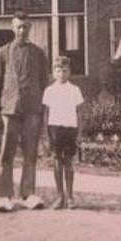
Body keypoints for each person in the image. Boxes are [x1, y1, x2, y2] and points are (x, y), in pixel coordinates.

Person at [0, 11, 51, 212]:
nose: (22, 30)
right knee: (6, 154)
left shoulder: (38, 53)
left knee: (30, 153)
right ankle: (4, 196)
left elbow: (44, 82)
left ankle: (28, 194)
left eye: (25, 27)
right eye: (18, 27)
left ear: (30, 28)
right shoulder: (3, 52)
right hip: (10, 109)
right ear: (12, 28)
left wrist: (43, 108)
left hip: (32, 109)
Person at [42, 56, 85, 210]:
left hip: (70, 129)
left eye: (65, 70)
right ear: (54, 72)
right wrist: (46, 135)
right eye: (58, 70)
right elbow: (46, 113)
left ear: (70, 72)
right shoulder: (49, 90)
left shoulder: (75, 90)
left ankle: (70, 197)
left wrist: (79, 133)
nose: (61, 73)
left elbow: (79, 113)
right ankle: (60, 196)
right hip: (55, 129)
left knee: (69, 162)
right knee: (57, 161)